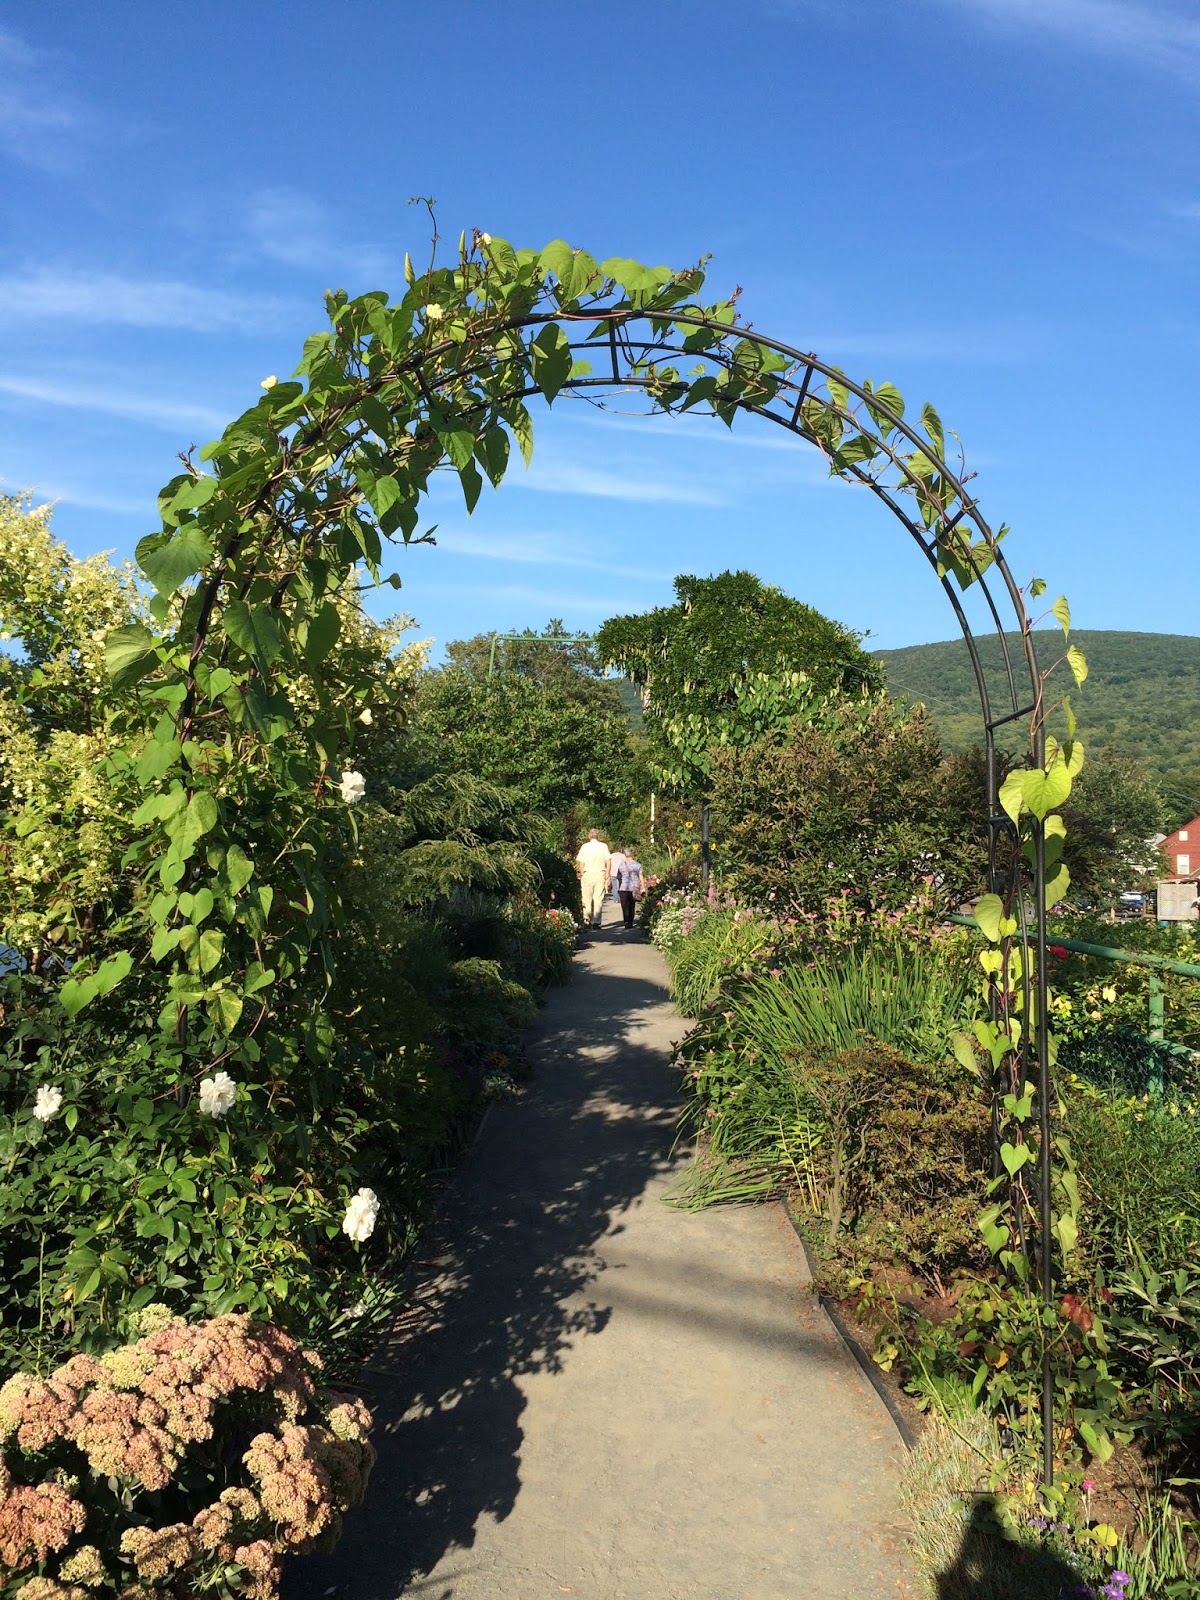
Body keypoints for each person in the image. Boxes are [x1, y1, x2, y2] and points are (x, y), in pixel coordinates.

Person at [574, 828, 611, 929]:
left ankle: (586, 920)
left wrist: (581, 873)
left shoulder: (585, 847)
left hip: (588, 874)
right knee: (598, 898)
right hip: (600, 873)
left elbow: (581, 862)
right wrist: (608, 873)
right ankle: (596, 922)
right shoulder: (603, 846)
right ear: (598, 836)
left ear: (589, 836)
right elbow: (608, 861)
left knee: (586, 898)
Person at [615, 847, 643, 930]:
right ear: (633, 855)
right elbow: (641, 876)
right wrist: (643, 887)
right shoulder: (638, 865)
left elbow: (618, 877)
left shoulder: (621, 865)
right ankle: (630, 920)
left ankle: (626, 921)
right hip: (634, 888)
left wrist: (618, 888)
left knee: (625, 906)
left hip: (623, 888)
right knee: (632, 905)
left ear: (625, 855)